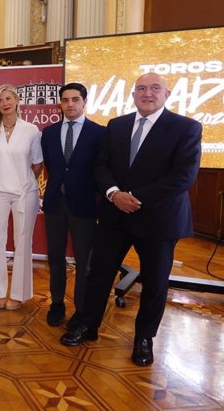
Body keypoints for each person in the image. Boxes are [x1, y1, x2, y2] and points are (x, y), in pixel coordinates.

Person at [60, 72, 202, 367]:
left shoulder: (186, 128)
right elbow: (101, 165)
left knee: (155, 282)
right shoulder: (118, 125)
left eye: (154, 88)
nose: (147, 93)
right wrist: (113, 194)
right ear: (133, 94)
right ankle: (88, 325)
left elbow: (182, 177)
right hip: (115, 215)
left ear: (167, 93)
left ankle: (144, 338)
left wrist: (133, 197)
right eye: (140, 89)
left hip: (158, 220)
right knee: (98, 274)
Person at [41, 83, 105, 326]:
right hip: (55, 204)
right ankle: (57, 304)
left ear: (84, 102)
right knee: (55, 257)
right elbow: (51, 165)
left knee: (83, 261)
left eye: (75, 99)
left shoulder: (99, 133)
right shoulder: (48, 133)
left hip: (85, 205)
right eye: (65, 100)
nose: (70, 104)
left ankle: (81, 309)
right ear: (60, 103)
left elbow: (100, 168)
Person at [0, 84, 43, 310]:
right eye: (0, 100)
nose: (4, 103)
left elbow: (37, 164)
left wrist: (20, 179)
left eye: (8, 98)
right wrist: (1, 177)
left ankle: (18, 294)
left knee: (23, 241)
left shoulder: (31, 130)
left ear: (16, 101)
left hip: (25, 192)